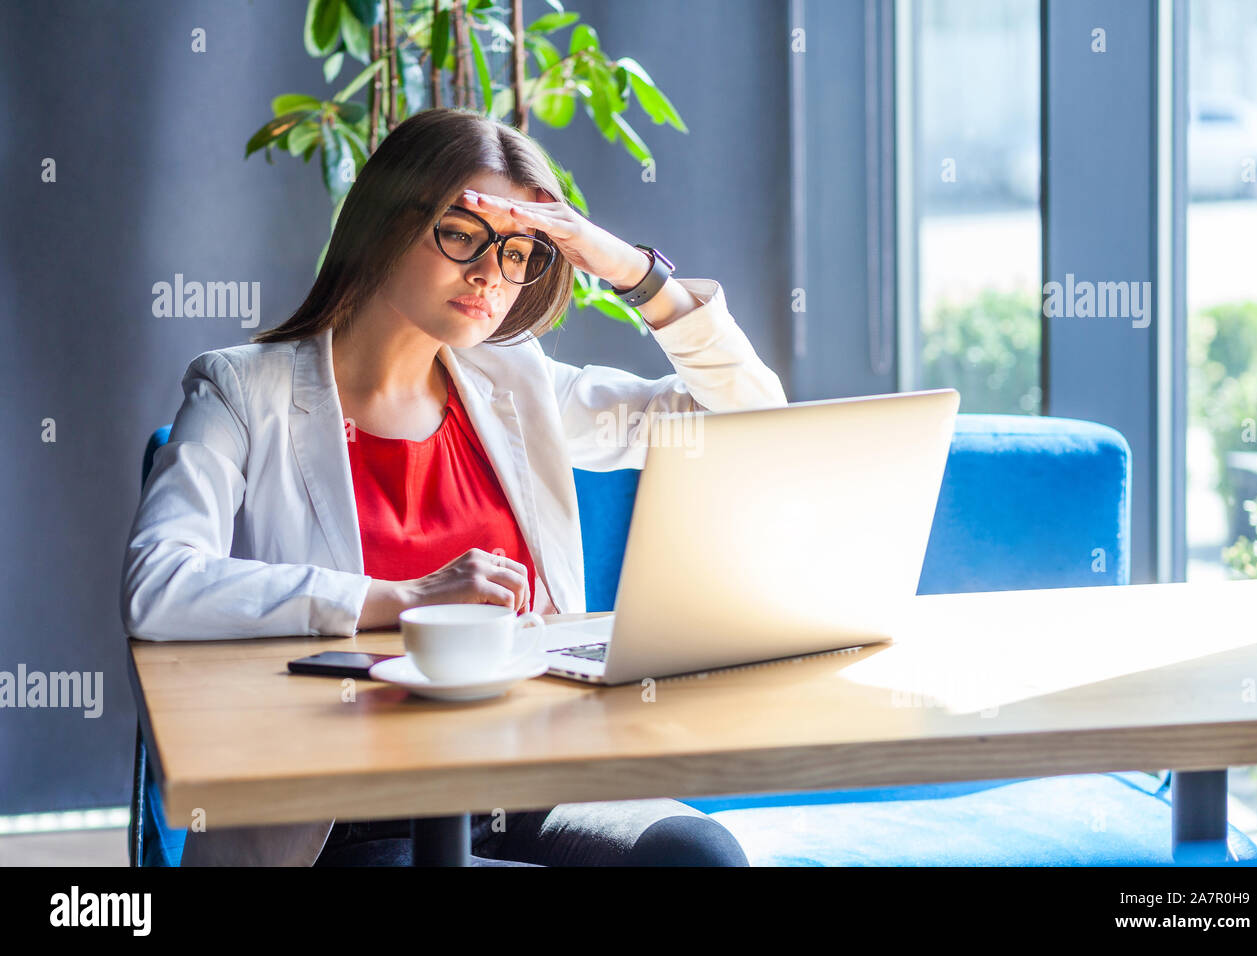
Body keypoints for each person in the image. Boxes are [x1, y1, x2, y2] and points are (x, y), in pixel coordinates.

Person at [121, 107, 787, 866]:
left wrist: (630, 270)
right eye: (463, 235)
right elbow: (159, 586)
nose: (488, 275)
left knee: (695, 854)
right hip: (346, 811)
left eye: (518, 252)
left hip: (527, 776)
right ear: (381, 225)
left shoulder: (516, 383)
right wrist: (397, 598)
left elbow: (748, 420)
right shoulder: (243, 389)